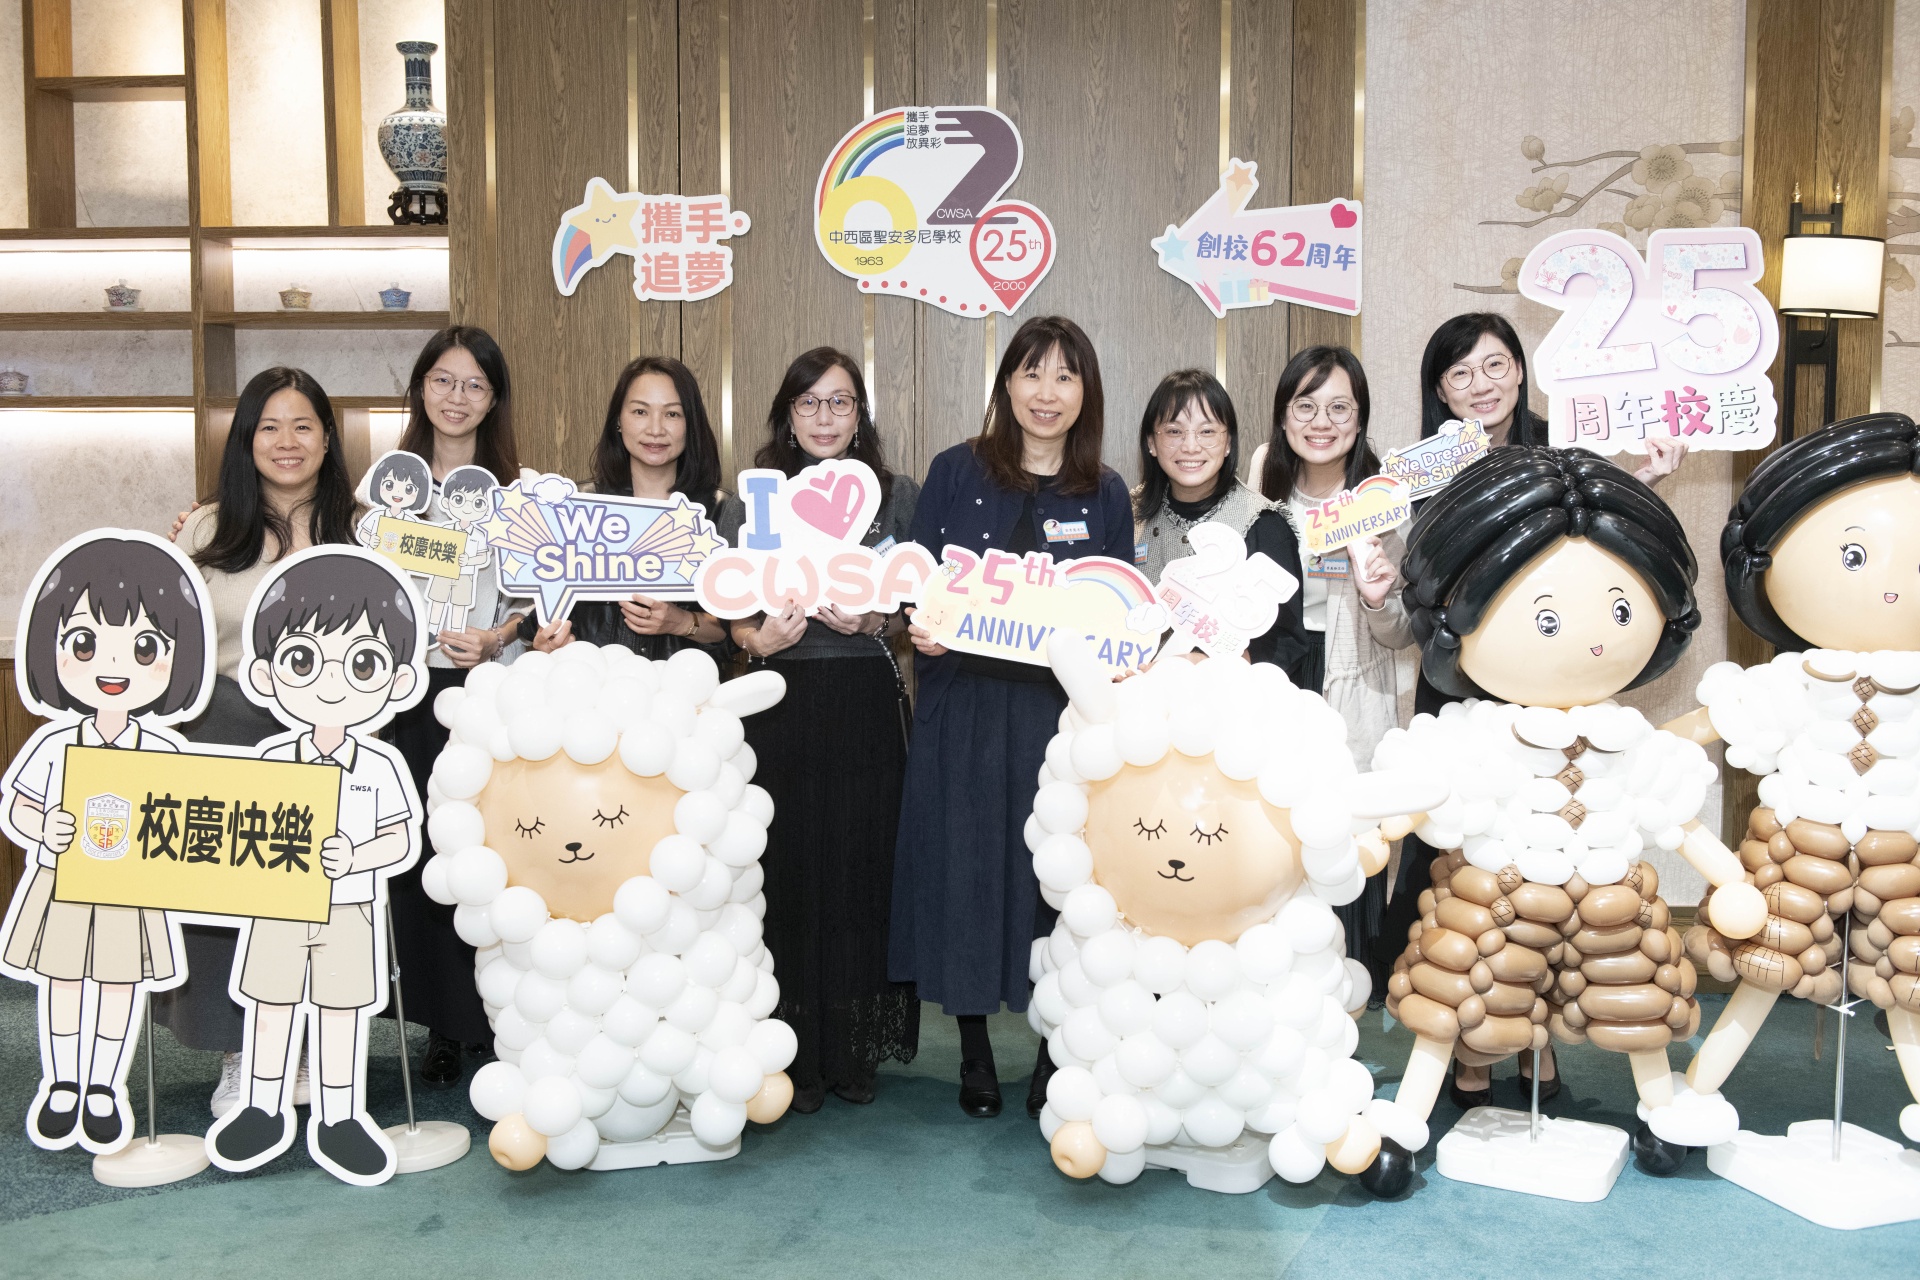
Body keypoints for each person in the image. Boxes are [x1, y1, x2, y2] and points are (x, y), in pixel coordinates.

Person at [1363, 445, 1737, 1194]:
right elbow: (1423, 791)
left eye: (1622, 610)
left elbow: (1674, 815)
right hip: (1496, 892)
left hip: (1609, 896)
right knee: (1454, 999)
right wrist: (1377, 831)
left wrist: (1728, 878)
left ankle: (1661, 1109)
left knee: (1637, 999)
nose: (1594, 637)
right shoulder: (1475, 735)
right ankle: (1403, 1121)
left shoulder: (1627, 739)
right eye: (1546, 616)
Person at [1391, 311, 1688, 1096]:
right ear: (1440, 390)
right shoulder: (1422, 470)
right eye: (1460, 373)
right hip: (1466, 690)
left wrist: (1648, 480)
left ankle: (1537, 1044)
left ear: (1521, 372)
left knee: (1555, 869)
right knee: (1469, 870)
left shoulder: (1564, 449)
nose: (1480, 385)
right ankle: (1468, 1044)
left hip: (1556, 696)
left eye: (1495, 365)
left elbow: (1600, 552)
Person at [891, 315, 1132, 1120]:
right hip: (963, 709)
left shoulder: (1105, 492)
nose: (1046, 392)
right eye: (1032, 373)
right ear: (1006, 384)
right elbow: (916, 583)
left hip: (1057, 719)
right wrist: (920, 625)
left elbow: (1118, 612)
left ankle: (1054, 1050)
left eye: (1065, 375)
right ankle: (974, 1050)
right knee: (965, 871)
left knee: (1054, 881)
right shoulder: (955, 471)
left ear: (1086, 392)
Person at [154, 366, 359, 1117]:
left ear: (328, 439)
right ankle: (239, 1053)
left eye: (303, 425)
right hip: (226, 724)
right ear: (246, 441)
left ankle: (301, 1045)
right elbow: (172, 636)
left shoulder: (364, 527)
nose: (286, 441)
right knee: (225, 900)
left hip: (325, 733)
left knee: (317, 903)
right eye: (268, 427)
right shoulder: (207, 528)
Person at [722, 347, 920, 1113]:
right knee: (788, 872)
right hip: (781, 703)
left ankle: (853, 1050)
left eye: (840, 402)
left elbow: (917, 607)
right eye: (809, 402)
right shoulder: (752, 501)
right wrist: (756, 640)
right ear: (787, 414)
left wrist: (877, 620)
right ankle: (794, 1051)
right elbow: (730, 619)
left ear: (859, 415)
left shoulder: (895, 498)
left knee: (860, 870)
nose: (825, 417)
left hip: (864, 703)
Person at [205, 549, 423, 1184]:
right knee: (271, 1005)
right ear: (266, 675)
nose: (331, 683)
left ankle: (339, 1116)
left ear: (396, 682)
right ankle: (261, 1106)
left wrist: (357, 855)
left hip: (349, 909)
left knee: (340, 1012)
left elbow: (399, 837)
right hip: (278, 906)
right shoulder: (273, 759)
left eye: (362, 663)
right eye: (303, 660)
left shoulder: (380, 764)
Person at [2, 536, 213, 1152]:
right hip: (65, 882)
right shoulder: (55, 743)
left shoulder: (165, 748)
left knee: (120, 986)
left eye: (145, 648)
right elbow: (18, 803)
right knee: (64, 982)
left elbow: (187, 818)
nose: (114, 667)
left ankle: (101, 1085)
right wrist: (43, 826)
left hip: (131, 888)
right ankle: (64, 1081)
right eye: (85, 644)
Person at [376, 327, 533, 1090]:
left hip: (485, 697)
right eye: (443, 380)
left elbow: (537, 604)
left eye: (474, 384)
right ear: (420, 389)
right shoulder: (388, 487)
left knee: (487, 857)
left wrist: (498, 635)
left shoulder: (519, 495)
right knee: (419, 861)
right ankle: (441, 1023)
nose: (457, 397)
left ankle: (494, 1017)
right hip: (406, 699)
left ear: (494, 398)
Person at [1254, 347, 1416, 995]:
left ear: (1360, 418)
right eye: (1306, 406)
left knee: (1349, 833)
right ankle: (1281, 978)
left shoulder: (1385, 503)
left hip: (1355, 679)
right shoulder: (1259, 492)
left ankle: (1351, 982)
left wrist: (1377, 599)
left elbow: (1402, 631)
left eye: (1339, 408)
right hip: (1280, 677)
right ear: (1283, 416)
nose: (1321, 422)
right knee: (1278, 831)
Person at [522, 356, 736, 656]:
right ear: (618, 421)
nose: (655, 429)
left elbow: (735, 632)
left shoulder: (721, 511)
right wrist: (550, 643)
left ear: (691, 424)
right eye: (640, 411)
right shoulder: (575, 506)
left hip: (683, 682)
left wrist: (681, 622)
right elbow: (543, 617)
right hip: (592, 678)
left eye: (672, 414)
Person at [1131, 368, 1308, 680]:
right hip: (1134, 694)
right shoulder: (1129, 513)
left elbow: (1286, 642)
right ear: (1151, 443)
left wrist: (1204, 664)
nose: (1190, 446)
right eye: (1173, 431)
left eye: (1207, 431)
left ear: (1228, 443)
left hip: (1225, 698)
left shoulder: (1263, 522)